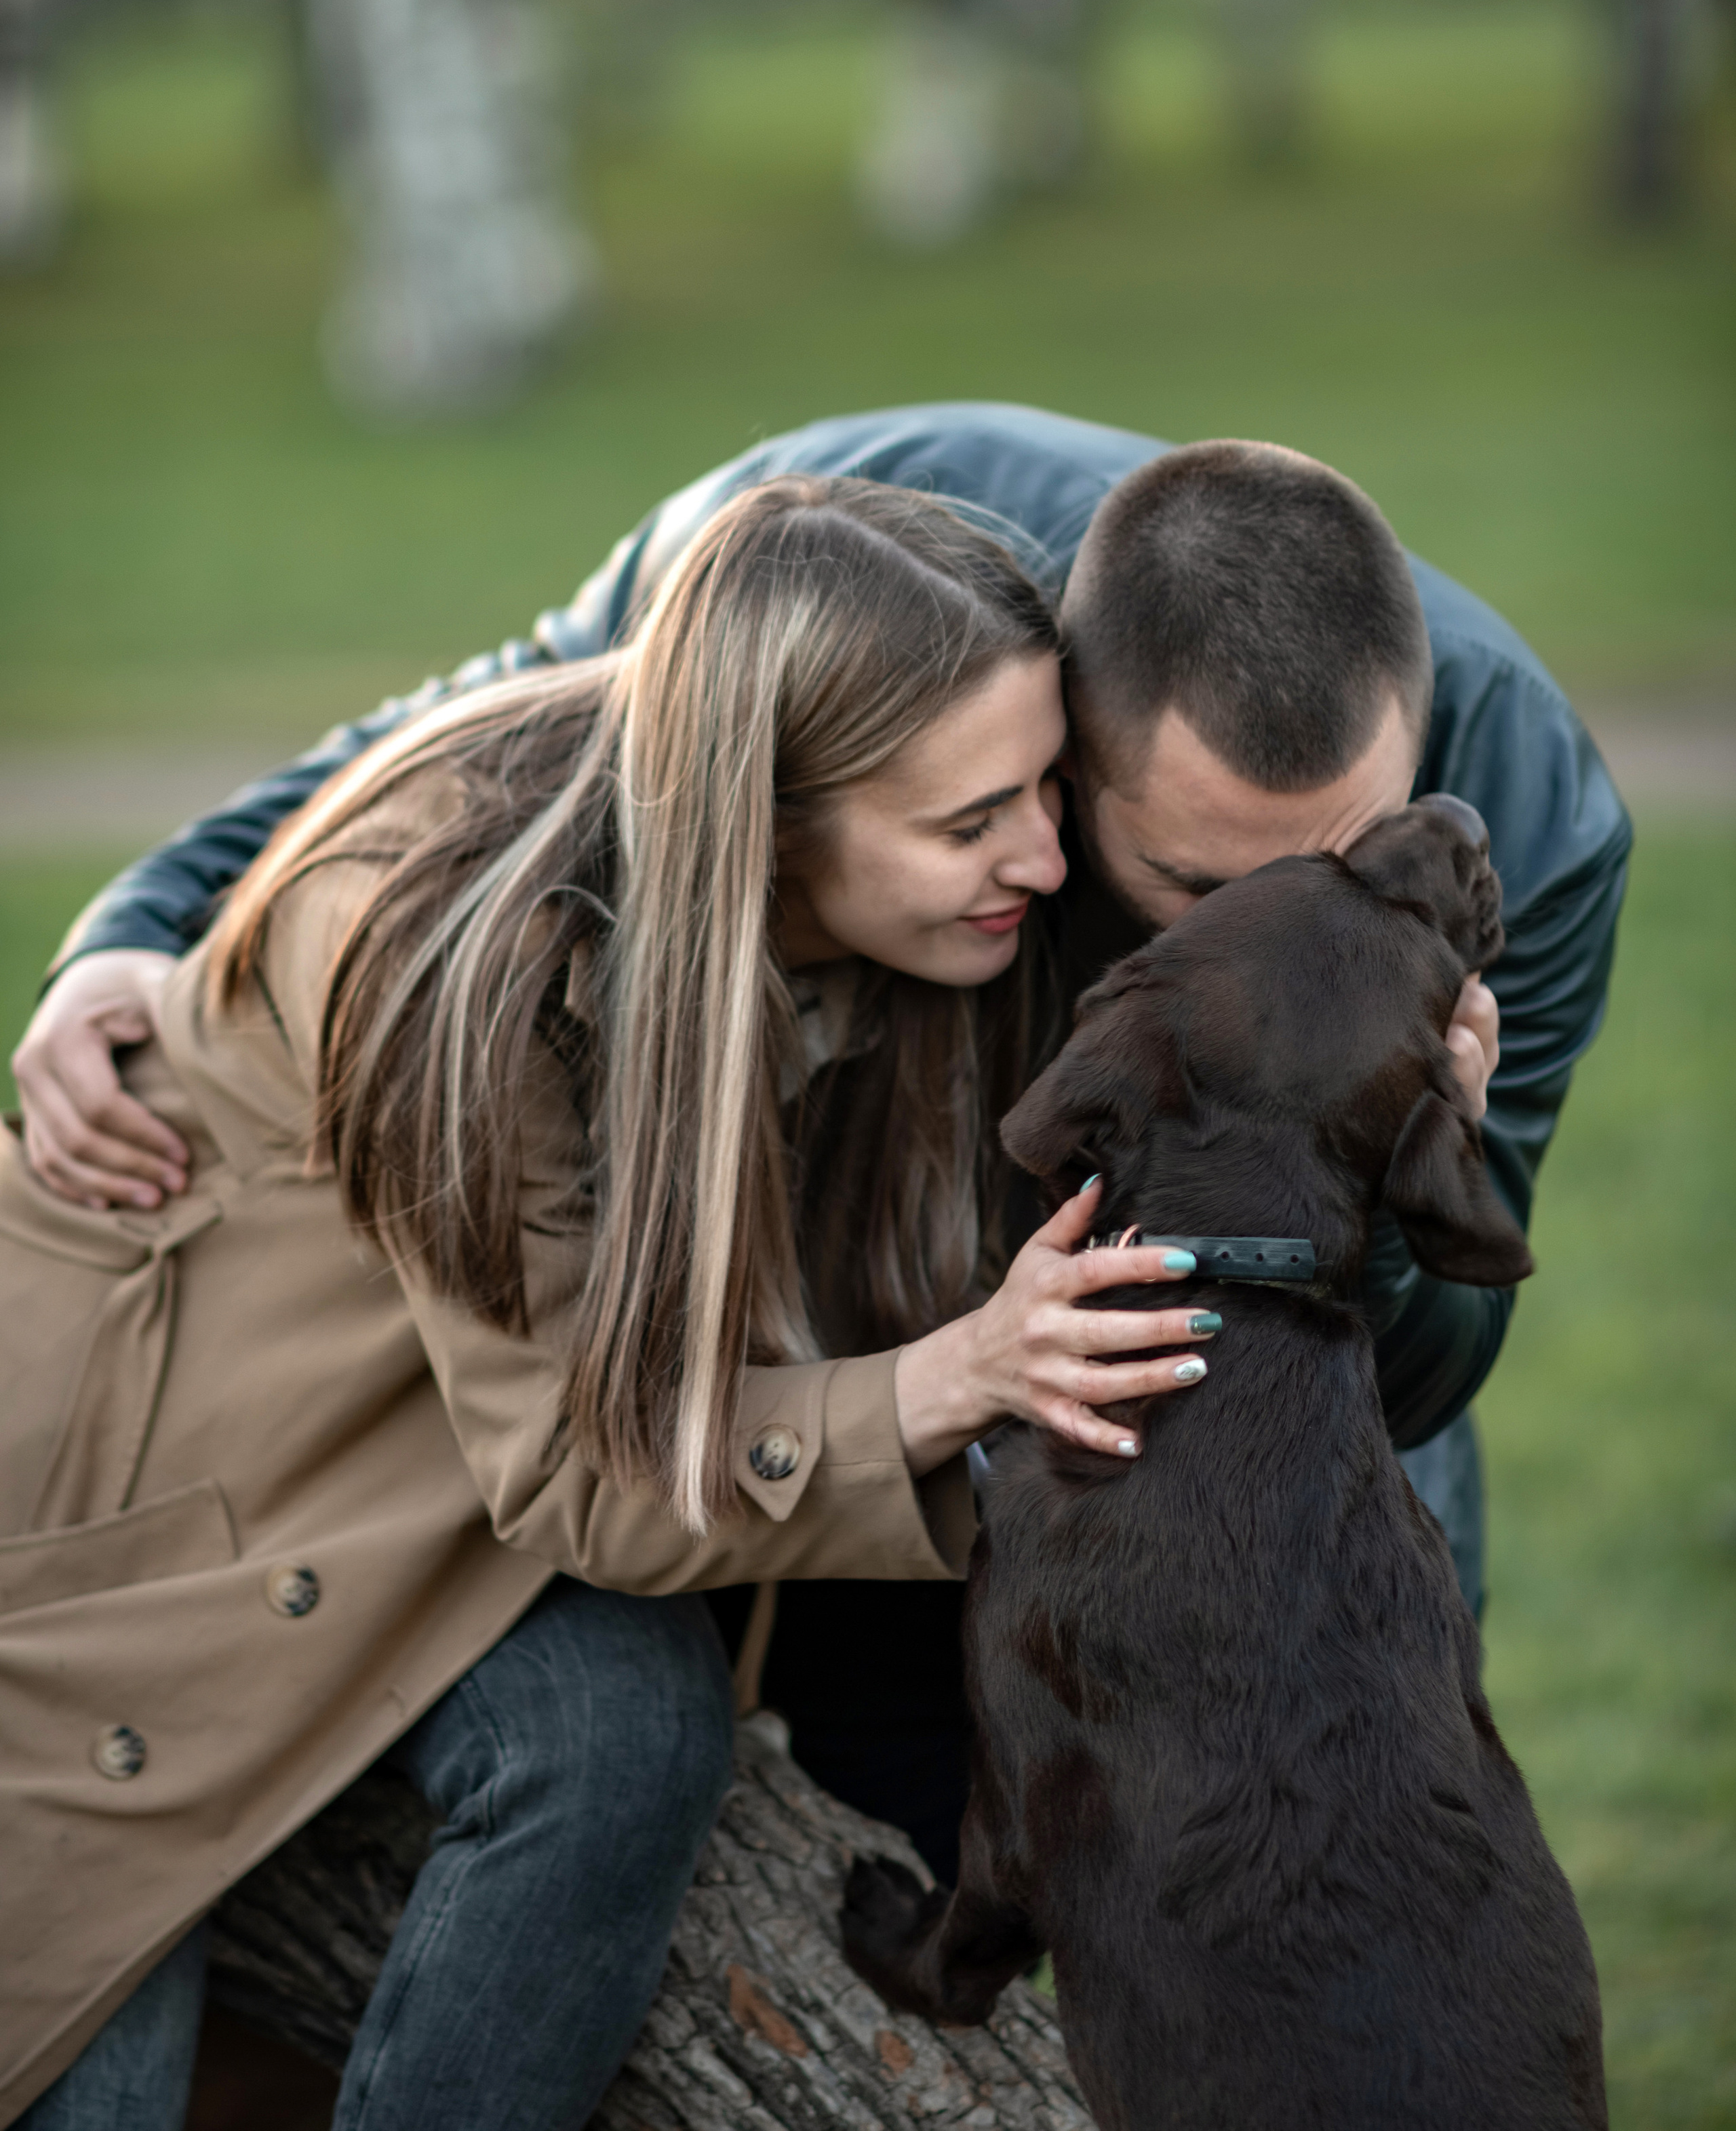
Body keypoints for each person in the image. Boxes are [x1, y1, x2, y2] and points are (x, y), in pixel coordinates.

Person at [0, 480, 1223, 2131]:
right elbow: (589, 1473)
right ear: (767, 818)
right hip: (138, 1538)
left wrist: (1386, 1090)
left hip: (444, 1481)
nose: (1044, 856)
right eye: (970, 823)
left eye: (1043, 792)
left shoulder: (910, 904)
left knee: (629, 1729)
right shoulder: (462, 960)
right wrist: (950, 1377)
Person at [16, 405, 1633, 1603]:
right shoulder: (854, 550)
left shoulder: (1537, 832)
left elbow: (1423, 1367)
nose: (1278, 945)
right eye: (1199, 891)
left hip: (1270, 1387)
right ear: (1054, 734)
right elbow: (501, 734)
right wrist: (143, 916)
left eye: (1340, 872)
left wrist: (1404, 1175)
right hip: (878, 1297)